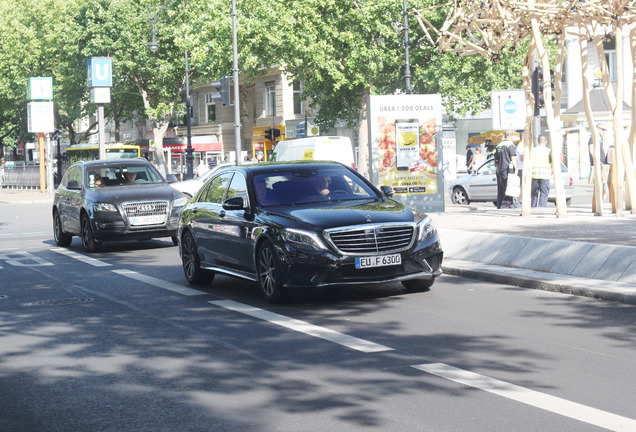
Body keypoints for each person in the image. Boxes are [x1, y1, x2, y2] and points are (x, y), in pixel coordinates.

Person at [494, 130, 518, 209]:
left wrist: (498, 170)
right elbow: (513, 158)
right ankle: (504, 206)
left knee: (501, 190)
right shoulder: (511, 145)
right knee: (509, 190)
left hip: (500, 171)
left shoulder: (498, 146)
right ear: (511, 136)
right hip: (509, 171)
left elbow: (496, 161)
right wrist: (516, 169)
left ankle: (505, 206)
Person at [588, 122, 611, 202]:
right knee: (602, 187)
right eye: (603, 129)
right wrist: (599, 162)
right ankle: (599, 204)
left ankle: (600, 203)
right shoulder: (593, 138)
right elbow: (591, 151)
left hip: (602, 166)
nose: (604, 131)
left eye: (605, 130)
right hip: (599, 166)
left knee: (604, 188)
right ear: (597, 128)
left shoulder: (599, 139)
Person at [531, 134, 552, 207]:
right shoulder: (549, 151)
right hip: (545, 176)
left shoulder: (533, 150)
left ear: (538, 141)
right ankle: (541, 209)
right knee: (543, 194)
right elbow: (552, 163)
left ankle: (532, 208)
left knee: (533, 194)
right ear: (546, 141)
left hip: (534, 175)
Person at [516, 140, 525, 206]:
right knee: (522, 186)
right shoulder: (521, 145)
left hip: (522, 168)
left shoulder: (521, 145)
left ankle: (520, 200)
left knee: (523, 186)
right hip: (521, 168)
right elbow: (521, 157)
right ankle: (518, 201)